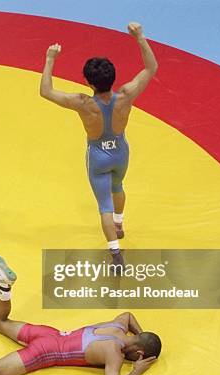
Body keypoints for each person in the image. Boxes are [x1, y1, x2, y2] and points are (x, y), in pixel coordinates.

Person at [0, 254, 160, 375]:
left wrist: (143, 337)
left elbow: (129, 315)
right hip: (46, 352)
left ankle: (5, 286)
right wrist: (137, 371)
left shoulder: (119, 326)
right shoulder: (114, 354)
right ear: (140, 353)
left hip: (49, 332)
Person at [39, 22, 158, 266]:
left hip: (98, 157)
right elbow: (151, 67)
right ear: (113, 77)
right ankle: (120, 223)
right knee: (118, 186)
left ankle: (115, 253)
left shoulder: (82, 103)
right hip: (120, 153)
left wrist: (50, 58)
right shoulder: (127, 95)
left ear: (89, 83)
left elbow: (46, 91)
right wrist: (140, 37)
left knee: (104, 205)